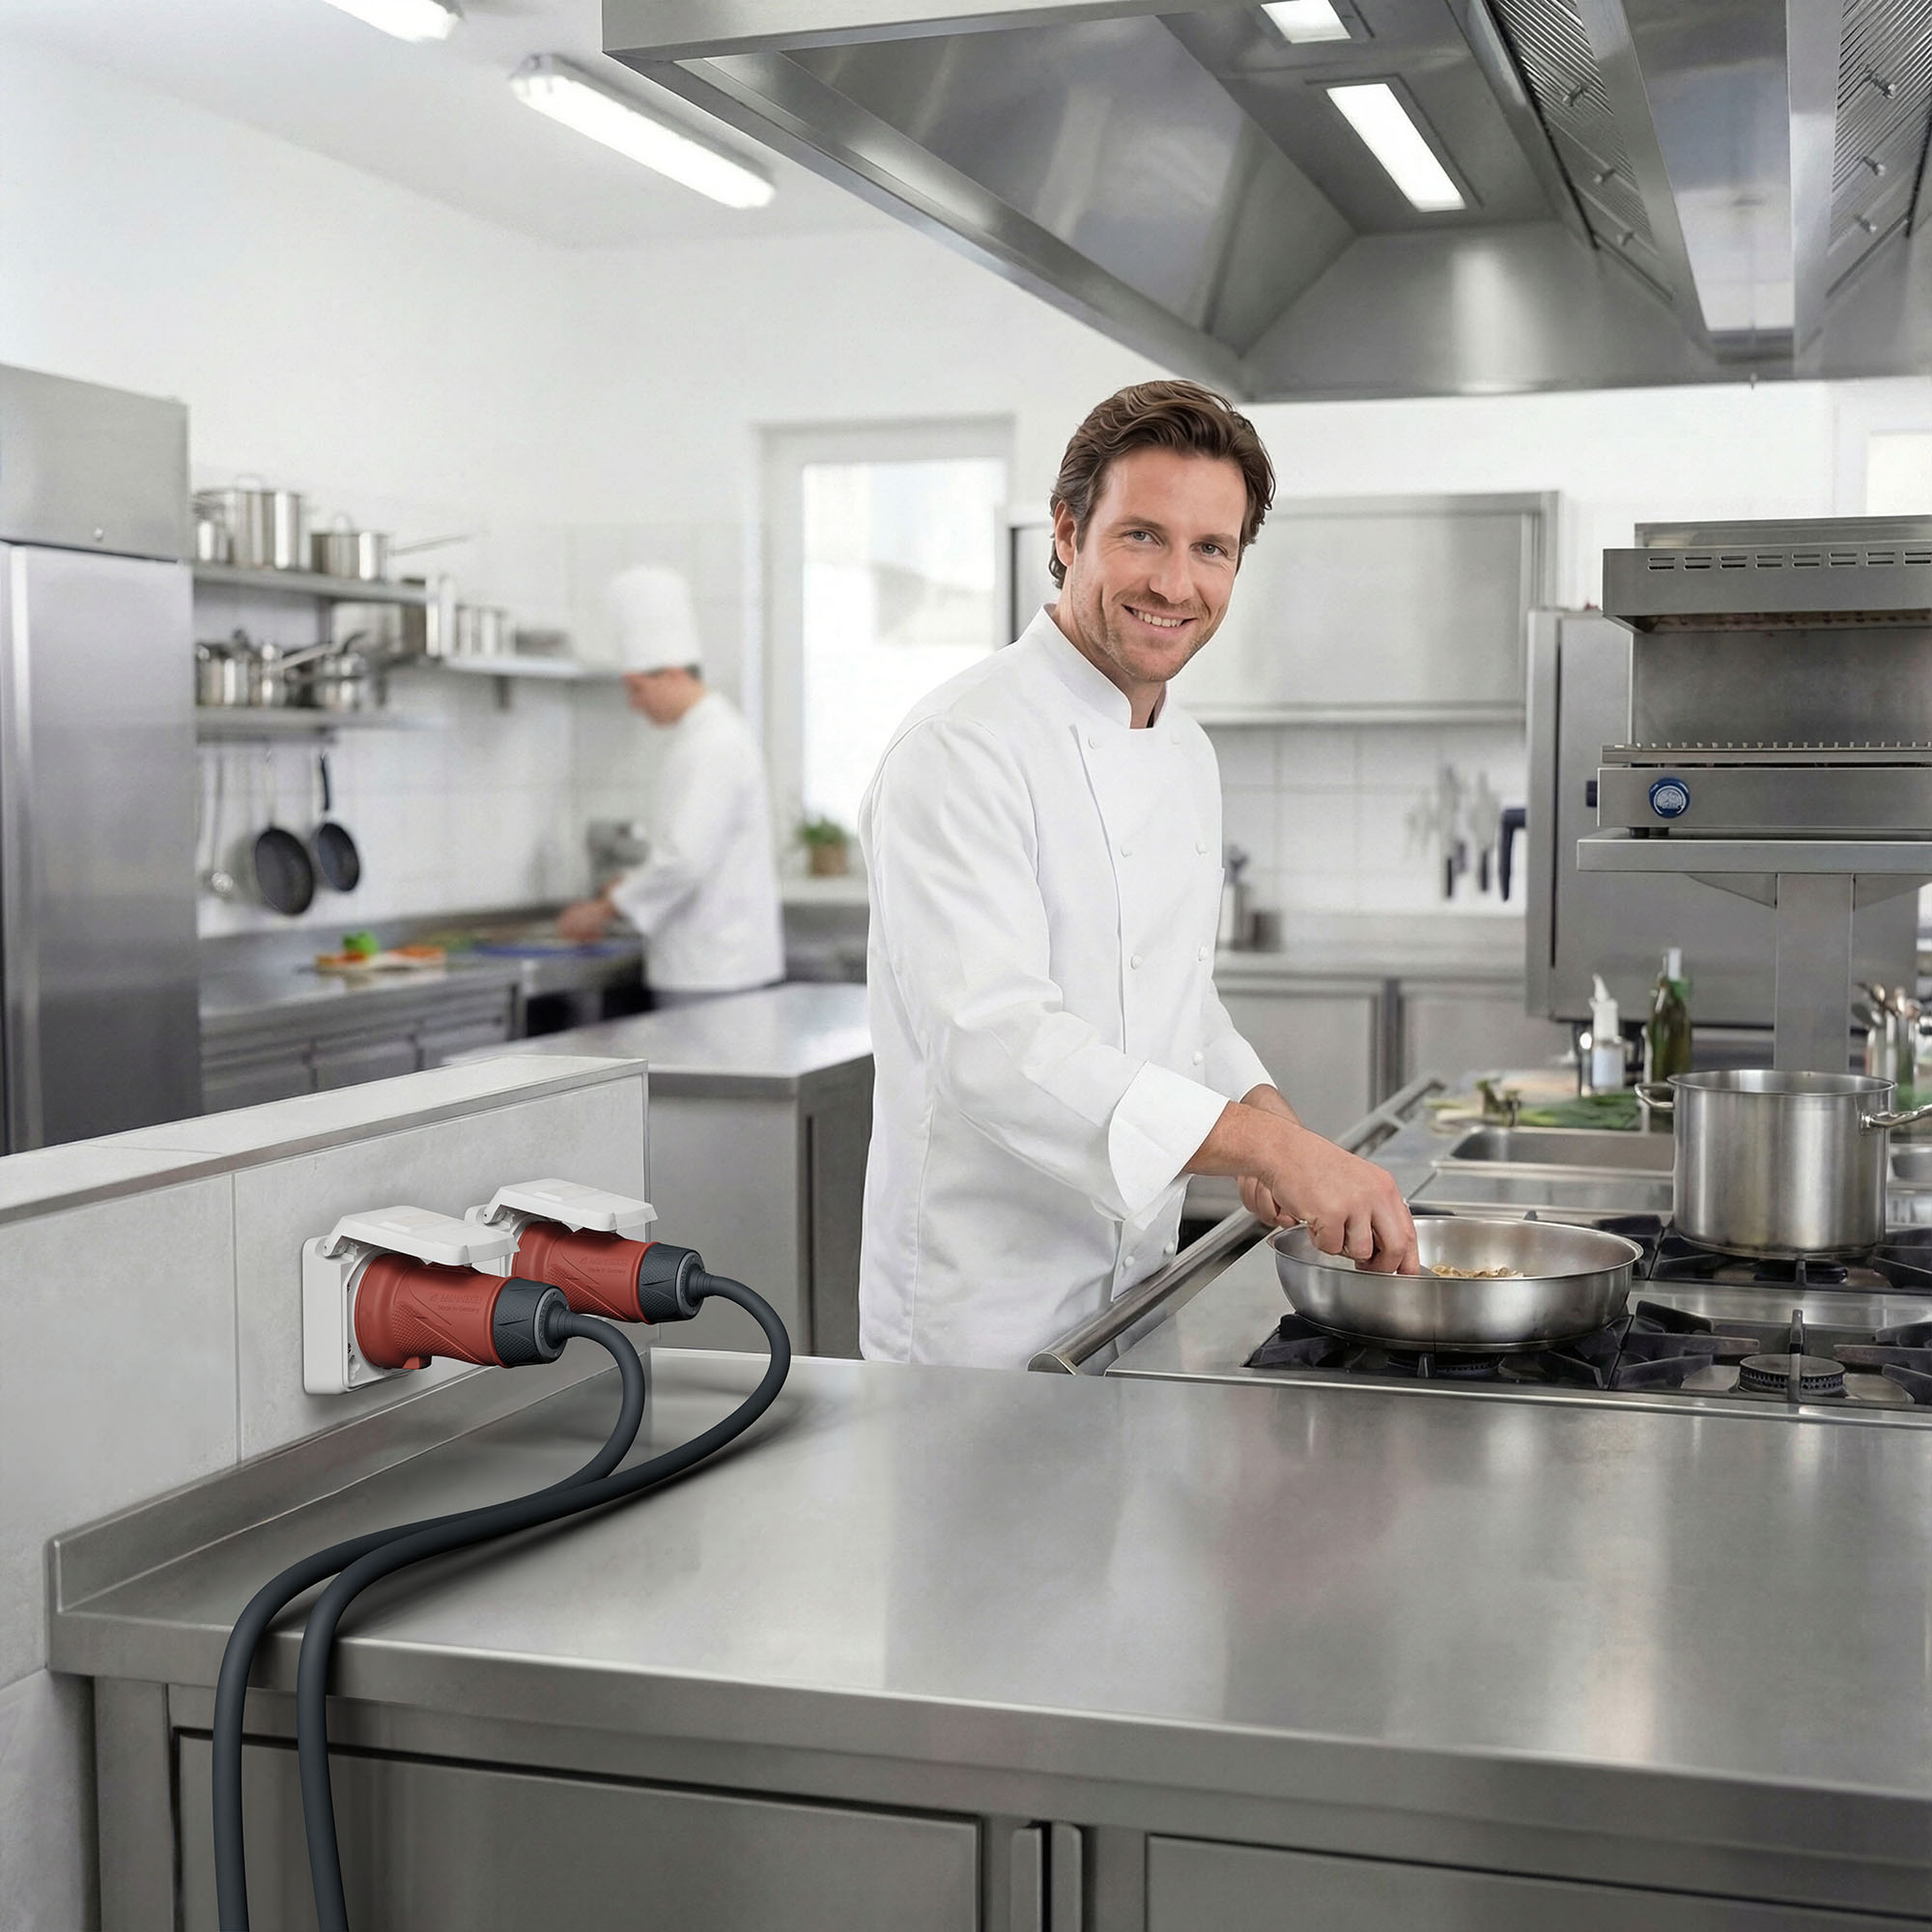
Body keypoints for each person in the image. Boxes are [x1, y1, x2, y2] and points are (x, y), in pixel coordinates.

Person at [859, 381, 1418, 1369]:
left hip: (1134, 1293)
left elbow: (1173, 996)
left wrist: (1261, 1106)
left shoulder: (1185, 750)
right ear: (1068, 531)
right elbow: (992, 1045)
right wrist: (1265, 1150)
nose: (1175, 582)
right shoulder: (961, 745)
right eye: (1142, 536)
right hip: (978, 1318)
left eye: (1212, 549)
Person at [557, 566, 783, 1006]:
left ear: (674, 674)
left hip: (712, 970)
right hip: (716, 965)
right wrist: (629, 888)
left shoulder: (711, 743)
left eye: (638, 689)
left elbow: (683, 860)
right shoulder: (707, 735)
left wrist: (604, 909)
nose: (633, 705)